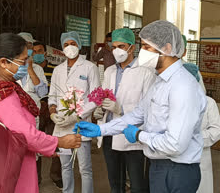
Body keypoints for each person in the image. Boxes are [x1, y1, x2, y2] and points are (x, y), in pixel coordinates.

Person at [75, 20, 207, 193]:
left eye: (147, 47)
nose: (142, 52)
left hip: (178, 169)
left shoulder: (182, 86)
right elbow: (137, 114)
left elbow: (175, 144)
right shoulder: (160, 82)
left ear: (167, 48)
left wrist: (139, 135)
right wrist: (102, 130)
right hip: (159, 164)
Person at [0, 32, 82, 193]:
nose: (27, 64)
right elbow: (26, 135)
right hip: (12, 167)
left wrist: (44, 145)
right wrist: (59, 142)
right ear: (4, 62)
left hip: (1, 160)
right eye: (23, 60)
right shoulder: (3, 94)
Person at [100, 28, 155, 193]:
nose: (117, 50)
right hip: (110, 132)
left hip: (132, 135)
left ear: (132, 47)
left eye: (121, 46)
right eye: (114, 46)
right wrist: (100, 110)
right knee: (115, 182)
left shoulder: (146, 72)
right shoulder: (110, 71)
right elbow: (104, 96)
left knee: (137, 184)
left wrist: (121, 108)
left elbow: (149, 107)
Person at [49, 31, 100, 193]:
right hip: (62, 125)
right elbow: (53, 95)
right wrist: (52, 112)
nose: (69, 47)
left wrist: (78, 114)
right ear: (62, 48)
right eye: (66, 44)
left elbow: (96, 96)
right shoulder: (58, 70)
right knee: (65, 166)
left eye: (73, 44)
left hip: (81, 124)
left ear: (79, 45)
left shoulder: (90, 67)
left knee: (84, 168)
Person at [183, 63, 220, 193]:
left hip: (201, 156)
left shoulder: (209, 103)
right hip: (177, 158)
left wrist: (194, 138)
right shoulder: (173, 102)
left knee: (201, 187)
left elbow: (216, 131)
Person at [33, 41, 63, 189]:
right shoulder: (28, 70)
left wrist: (51, 107)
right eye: (34, 51)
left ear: (45, 53)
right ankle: (36, 178)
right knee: (34, 145)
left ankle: (56, 175)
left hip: (51, 111)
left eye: (40, 51)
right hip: (35, 110)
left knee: (55, 143)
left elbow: (56, 91)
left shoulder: (54, 69)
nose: (37, 54)